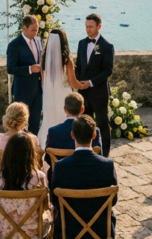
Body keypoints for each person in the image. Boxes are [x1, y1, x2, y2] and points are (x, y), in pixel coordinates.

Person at [49, 115, 118, 239]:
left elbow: (54, 200)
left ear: (72, 135)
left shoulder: (61, 166)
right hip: (100, 228)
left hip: (70, 229)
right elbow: (113, 201)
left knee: (66, 214)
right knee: (101, 212)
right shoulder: (107, 165)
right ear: (94, 136)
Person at [36, 29, 85, 148]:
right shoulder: (67, 60)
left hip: (48, 96)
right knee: (65, 121)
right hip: (64, 95)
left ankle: (47, 148)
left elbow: (43, 81)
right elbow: (73, 83)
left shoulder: (44, 60)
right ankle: (66, 147)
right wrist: (82, 85)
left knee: (49, 121)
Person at [75, 14, 115, 156]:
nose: (88, 29)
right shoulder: (81, 43)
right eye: (86, 26)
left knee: (102, 124)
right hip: (83, 93)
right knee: (85, 125)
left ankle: (105, 155)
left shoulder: (107, 46)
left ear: (99, 26)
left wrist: (90, 83)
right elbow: (78, 66)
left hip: (99, 92)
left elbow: (108, 70)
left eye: (90, 27)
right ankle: (87, 153)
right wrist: (79, 82)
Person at [43, 92, 102, 182]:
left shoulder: (53, 132)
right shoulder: (94, 130)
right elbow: (99, 157)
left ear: (64, 109)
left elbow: (47, 160)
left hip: (61, 181)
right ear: (83, 109)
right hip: (89, 178)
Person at [6, 15, 44, 134]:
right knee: (21, 124)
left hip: (37, 90)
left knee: (35, 122)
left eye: (37, 29)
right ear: (24, 28)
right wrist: (29, 69)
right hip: (22, 90)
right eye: (33, 29)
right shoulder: (14, 45)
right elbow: (10, 68)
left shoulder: (39, 41)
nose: (35, 32)